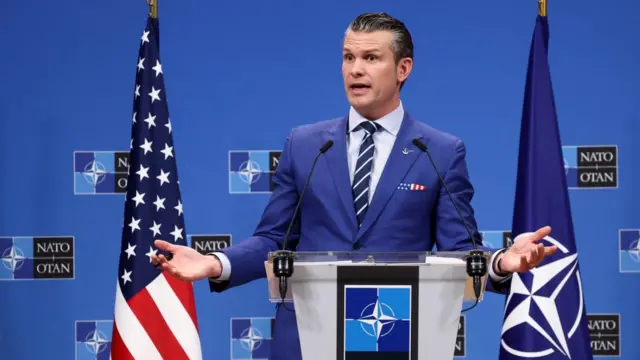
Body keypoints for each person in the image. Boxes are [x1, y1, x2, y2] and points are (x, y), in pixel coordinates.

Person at [151, 12, 557, 360]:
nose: (355, 69)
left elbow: (459, 249)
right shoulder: (305, 144)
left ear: (403, 69)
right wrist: (215, 263)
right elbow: (274, 239)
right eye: (348, 57)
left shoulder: (440, 151)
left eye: (370, 58)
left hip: (397, 334)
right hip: (309, 335)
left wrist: (502, 262)